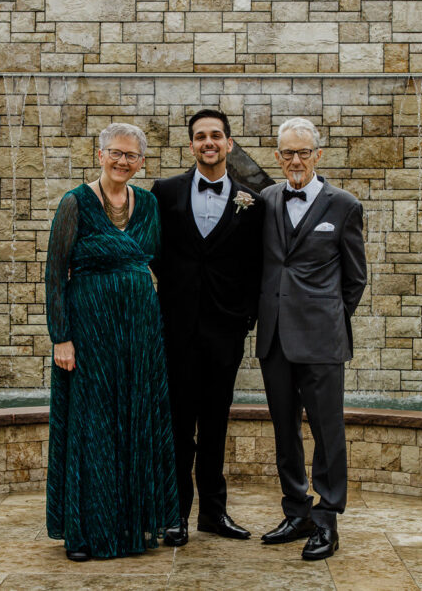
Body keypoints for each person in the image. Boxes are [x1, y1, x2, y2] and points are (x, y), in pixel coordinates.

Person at [45, 122, 179, 561]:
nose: (123, 162)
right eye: (115, 153)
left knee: (136, 419)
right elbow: (55, 275)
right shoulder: (75, 204)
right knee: (94, 426)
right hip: (91, 332)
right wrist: (60, 338)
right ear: (99, 154)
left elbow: (156, 260)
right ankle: (85, 533)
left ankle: (132, 525)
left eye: (132, 156)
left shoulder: (150, 204)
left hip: (140, 331)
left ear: (142, 162)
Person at [151, 109, 265, 547]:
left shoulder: (251, 200)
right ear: (192, 145)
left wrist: (244, 317)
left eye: (216, 135)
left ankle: (213, 514)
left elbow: (256, 264)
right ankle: (175, 515)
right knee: (179, 425)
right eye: (200, 137)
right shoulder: (164, 192)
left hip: (225, 331)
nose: (208, 142)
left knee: (216, 423)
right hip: (176, 328)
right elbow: (154, 251)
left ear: (229, 143)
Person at [256, 117, 367, 561]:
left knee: (327, 432)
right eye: (287, 153)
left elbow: (355, 279)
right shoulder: (264, 200)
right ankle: (296, 510)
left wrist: (329, 319)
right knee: (285, 430)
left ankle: (327, 520)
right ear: (278, 157)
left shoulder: (344, 205)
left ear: (318, 155)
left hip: (322, 340)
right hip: (275, 338)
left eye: (303, 152)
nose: (295, 160)